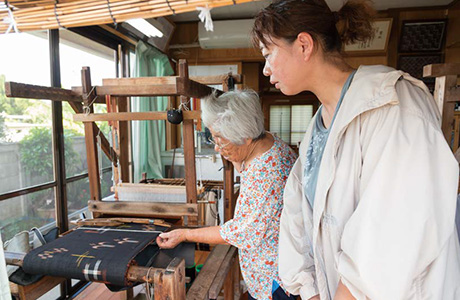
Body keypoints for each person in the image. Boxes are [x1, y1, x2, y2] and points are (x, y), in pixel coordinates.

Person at [252, 0, 460, 299]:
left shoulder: (392, 103)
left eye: (268, 53)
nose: (266, 68)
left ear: (303, 45)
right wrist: (308, 290)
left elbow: (393, 231)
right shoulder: (316, 129)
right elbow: (297, 220)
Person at [156, 90, 298, 300]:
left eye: (221, 140)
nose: (216, 146)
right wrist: (228, 151)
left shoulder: (267, 175)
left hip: (274, 283)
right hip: (269, 273)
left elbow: (240, 232)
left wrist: (184, 234)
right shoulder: (266, 141)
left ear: (245, 138)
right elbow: (245, 165)